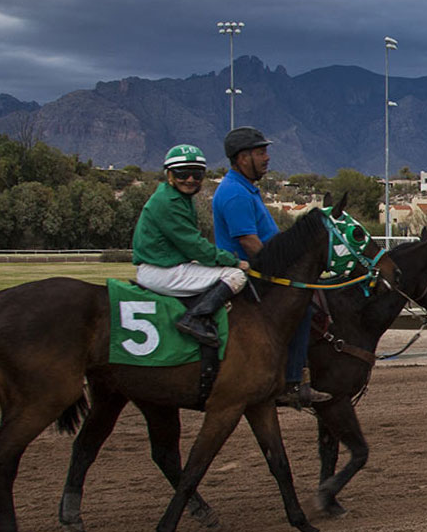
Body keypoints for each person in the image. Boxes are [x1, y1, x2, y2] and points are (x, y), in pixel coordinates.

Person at [211, 126, 331, 407]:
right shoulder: (235, 194)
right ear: (242, 158)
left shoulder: (245, 189)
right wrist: (285, 272)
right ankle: (291, 382)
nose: (267, 158)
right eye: (261, 152)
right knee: (303, 309)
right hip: (248, 274)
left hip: (254, 270)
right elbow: (250, 243)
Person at [131, 144, 248, 347]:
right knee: (234, 276)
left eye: (196, 174)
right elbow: (194, 246)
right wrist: (235, 262)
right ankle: (195, 319)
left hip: (163, 266)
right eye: (182, 174)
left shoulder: (177, 197)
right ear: (169, 175)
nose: (190, 180)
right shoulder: (168, 202)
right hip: (161, 271)